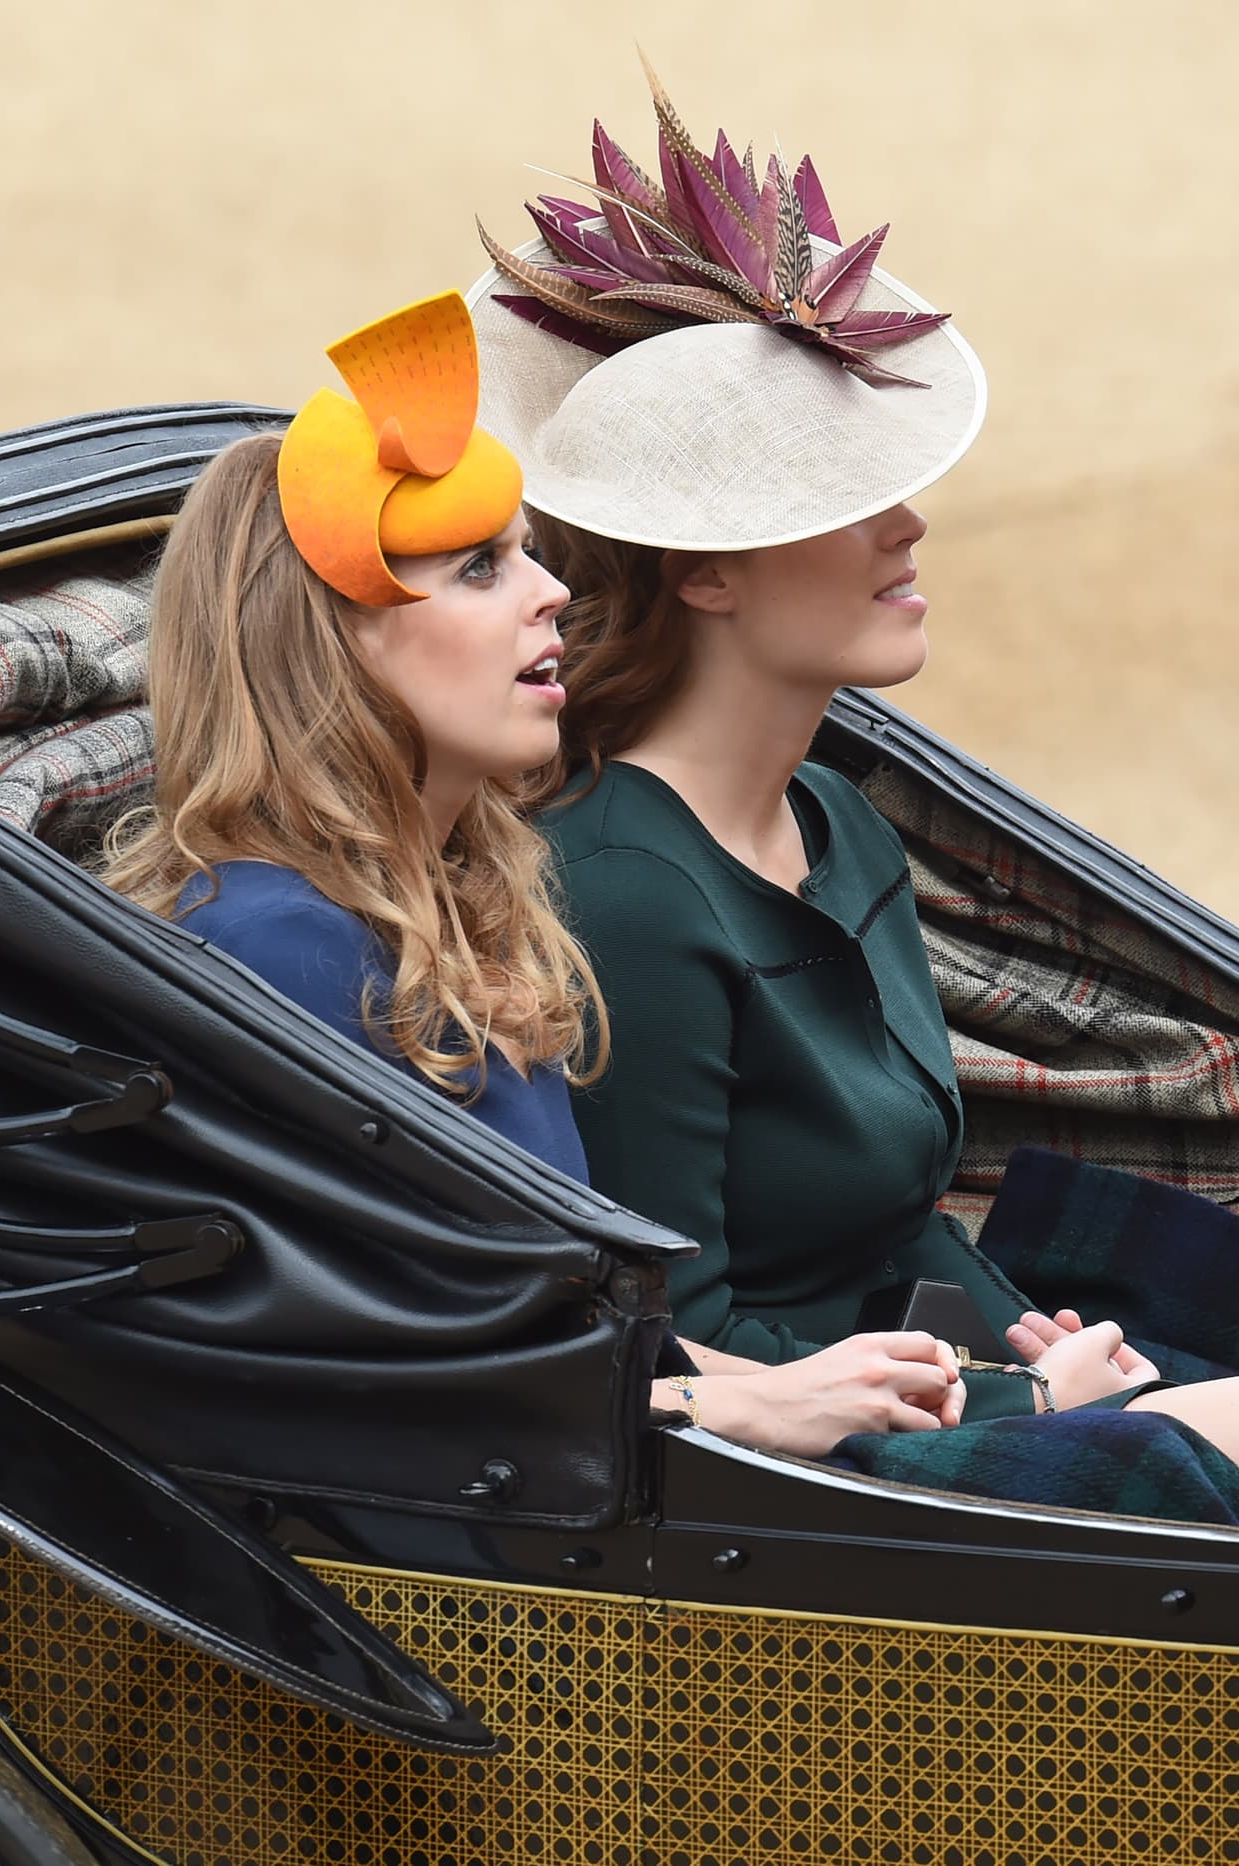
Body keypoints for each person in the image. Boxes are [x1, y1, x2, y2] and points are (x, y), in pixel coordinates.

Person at [463, 74, 1239, 1512]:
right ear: (706, 573)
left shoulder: (841, 818)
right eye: (836, 498)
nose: (908, 521)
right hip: (806, 1492)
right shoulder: (625, 896)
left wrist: (1028, 1335)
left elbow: (893, 1227)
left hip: (931, 1381)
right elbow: (680, 1343)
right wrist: (1019, 1400)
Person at [102, 290, 973, 1462]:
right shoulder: (273, 942)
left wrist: (848, 1382)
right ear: (328, 646)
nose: (550, 591)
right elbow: (347, 1377)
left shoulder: (457, 919)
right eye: (476, 570)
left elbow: (574, 1331)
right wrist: (725, 1404)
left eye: (524, 555)